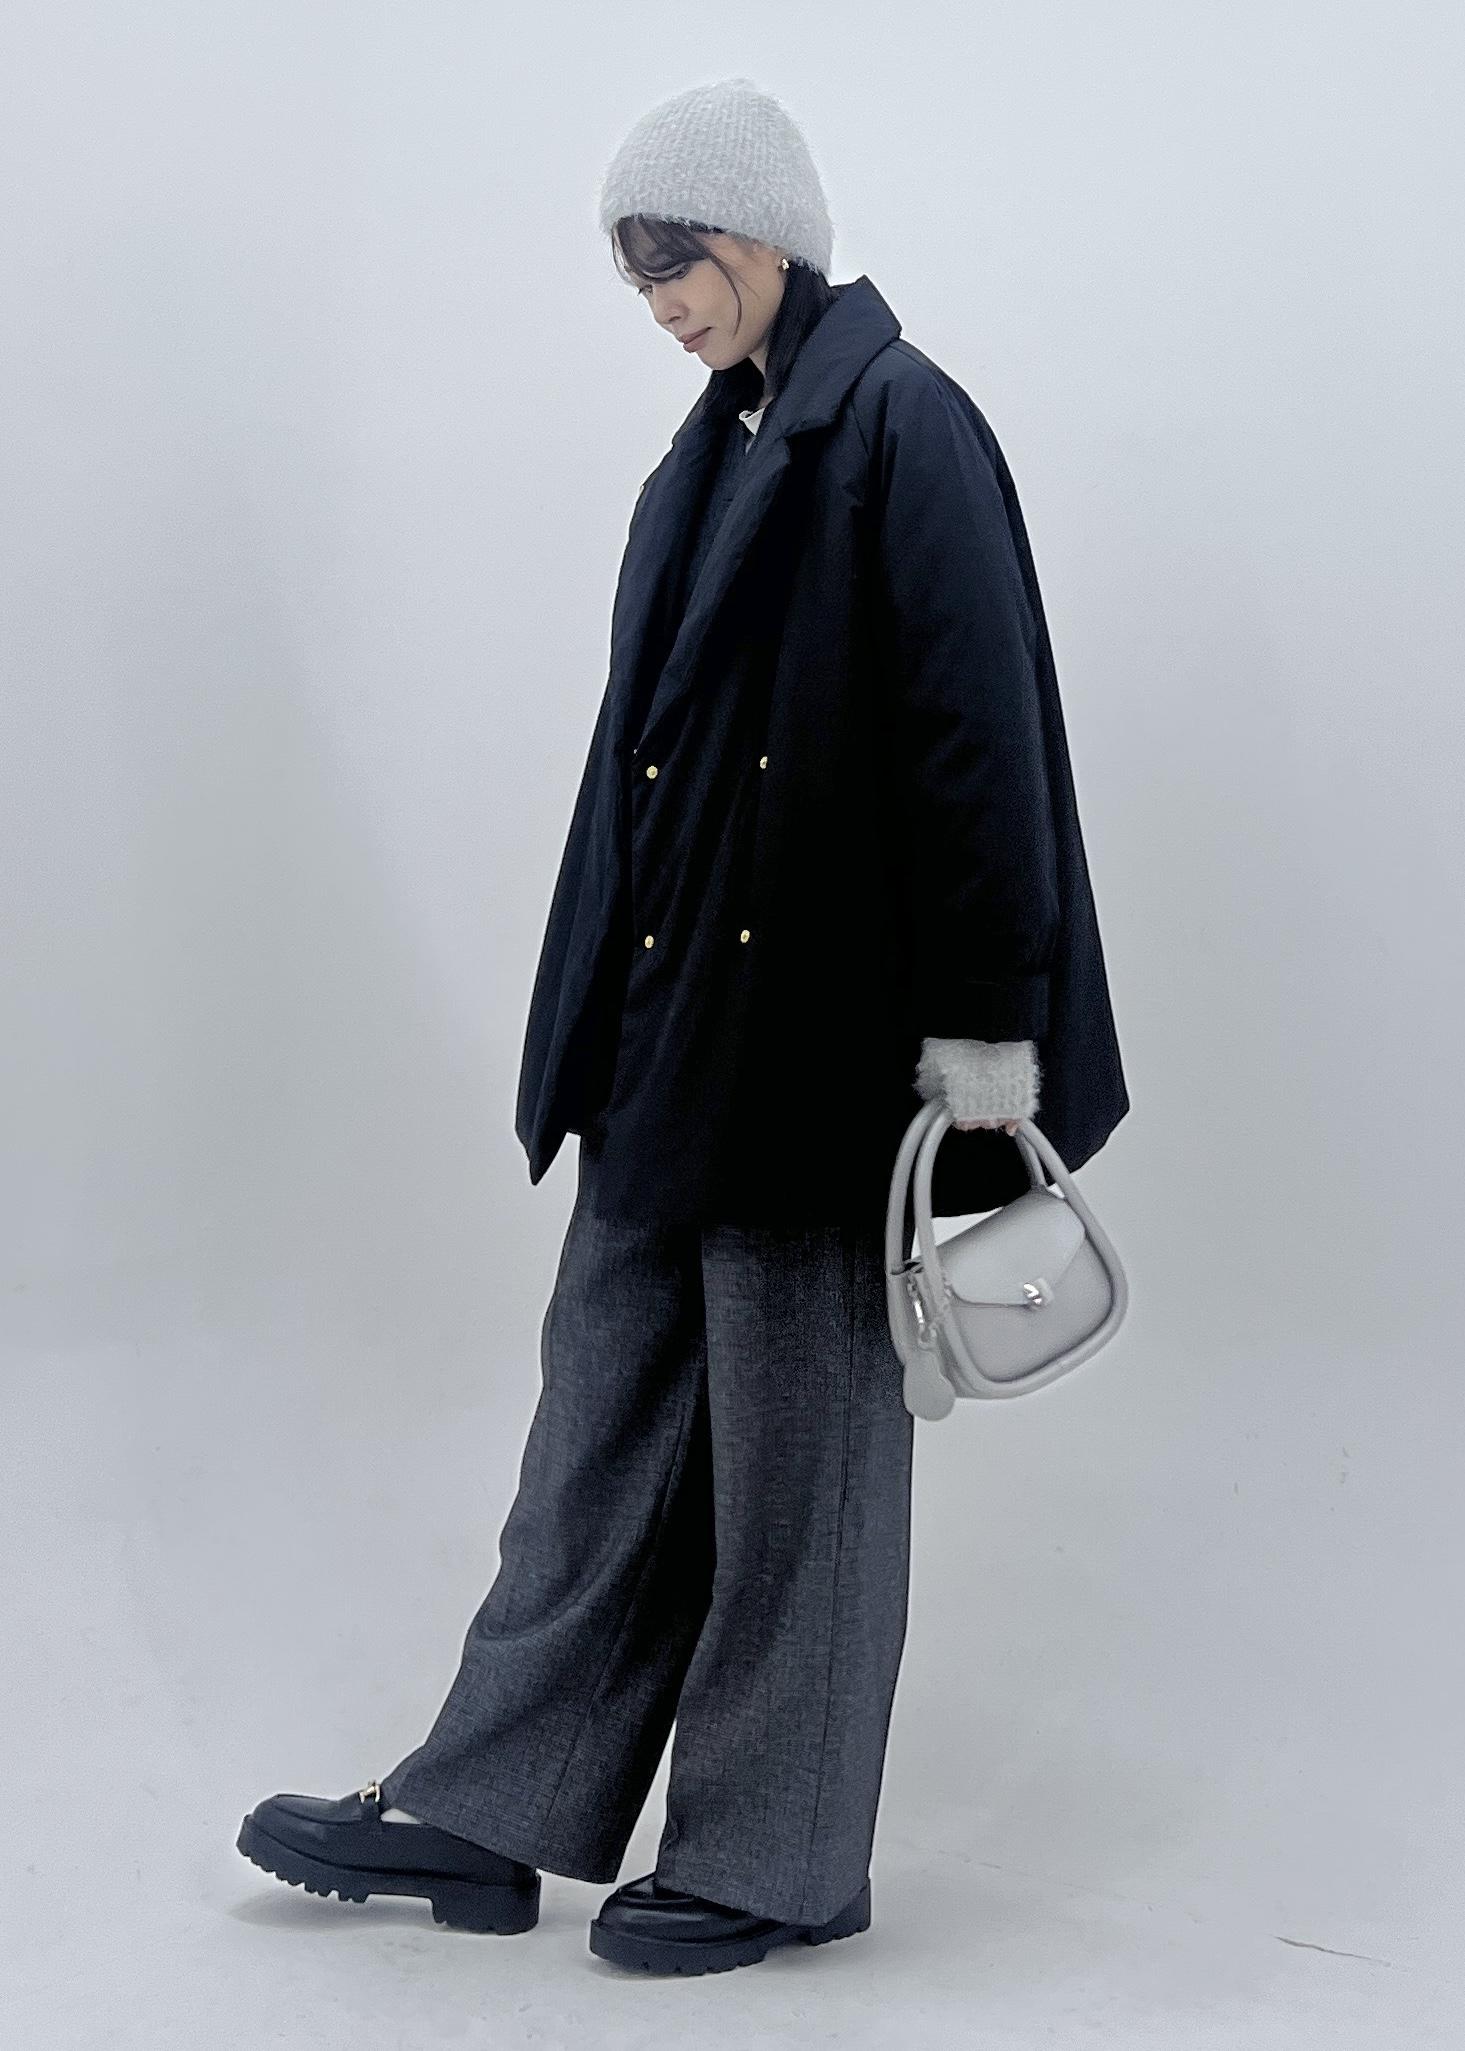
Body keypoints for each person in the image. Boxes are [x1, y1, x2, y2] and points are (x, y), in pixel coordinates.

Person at [236, 75, 1129, 1978]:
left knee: (803, 1464)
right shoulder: (718, 442)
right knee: (599, 1431)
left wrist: (985, 1043)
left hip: (822, 1056)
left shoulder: (903, 424)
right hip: (677, 1036)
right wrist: (591, 1019)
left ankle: (775, 1857)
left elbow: (980, 746)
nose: (655, 298)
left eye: (676, 258)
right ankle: (491, 1808)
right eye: (632, 269)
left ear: (765, 233)